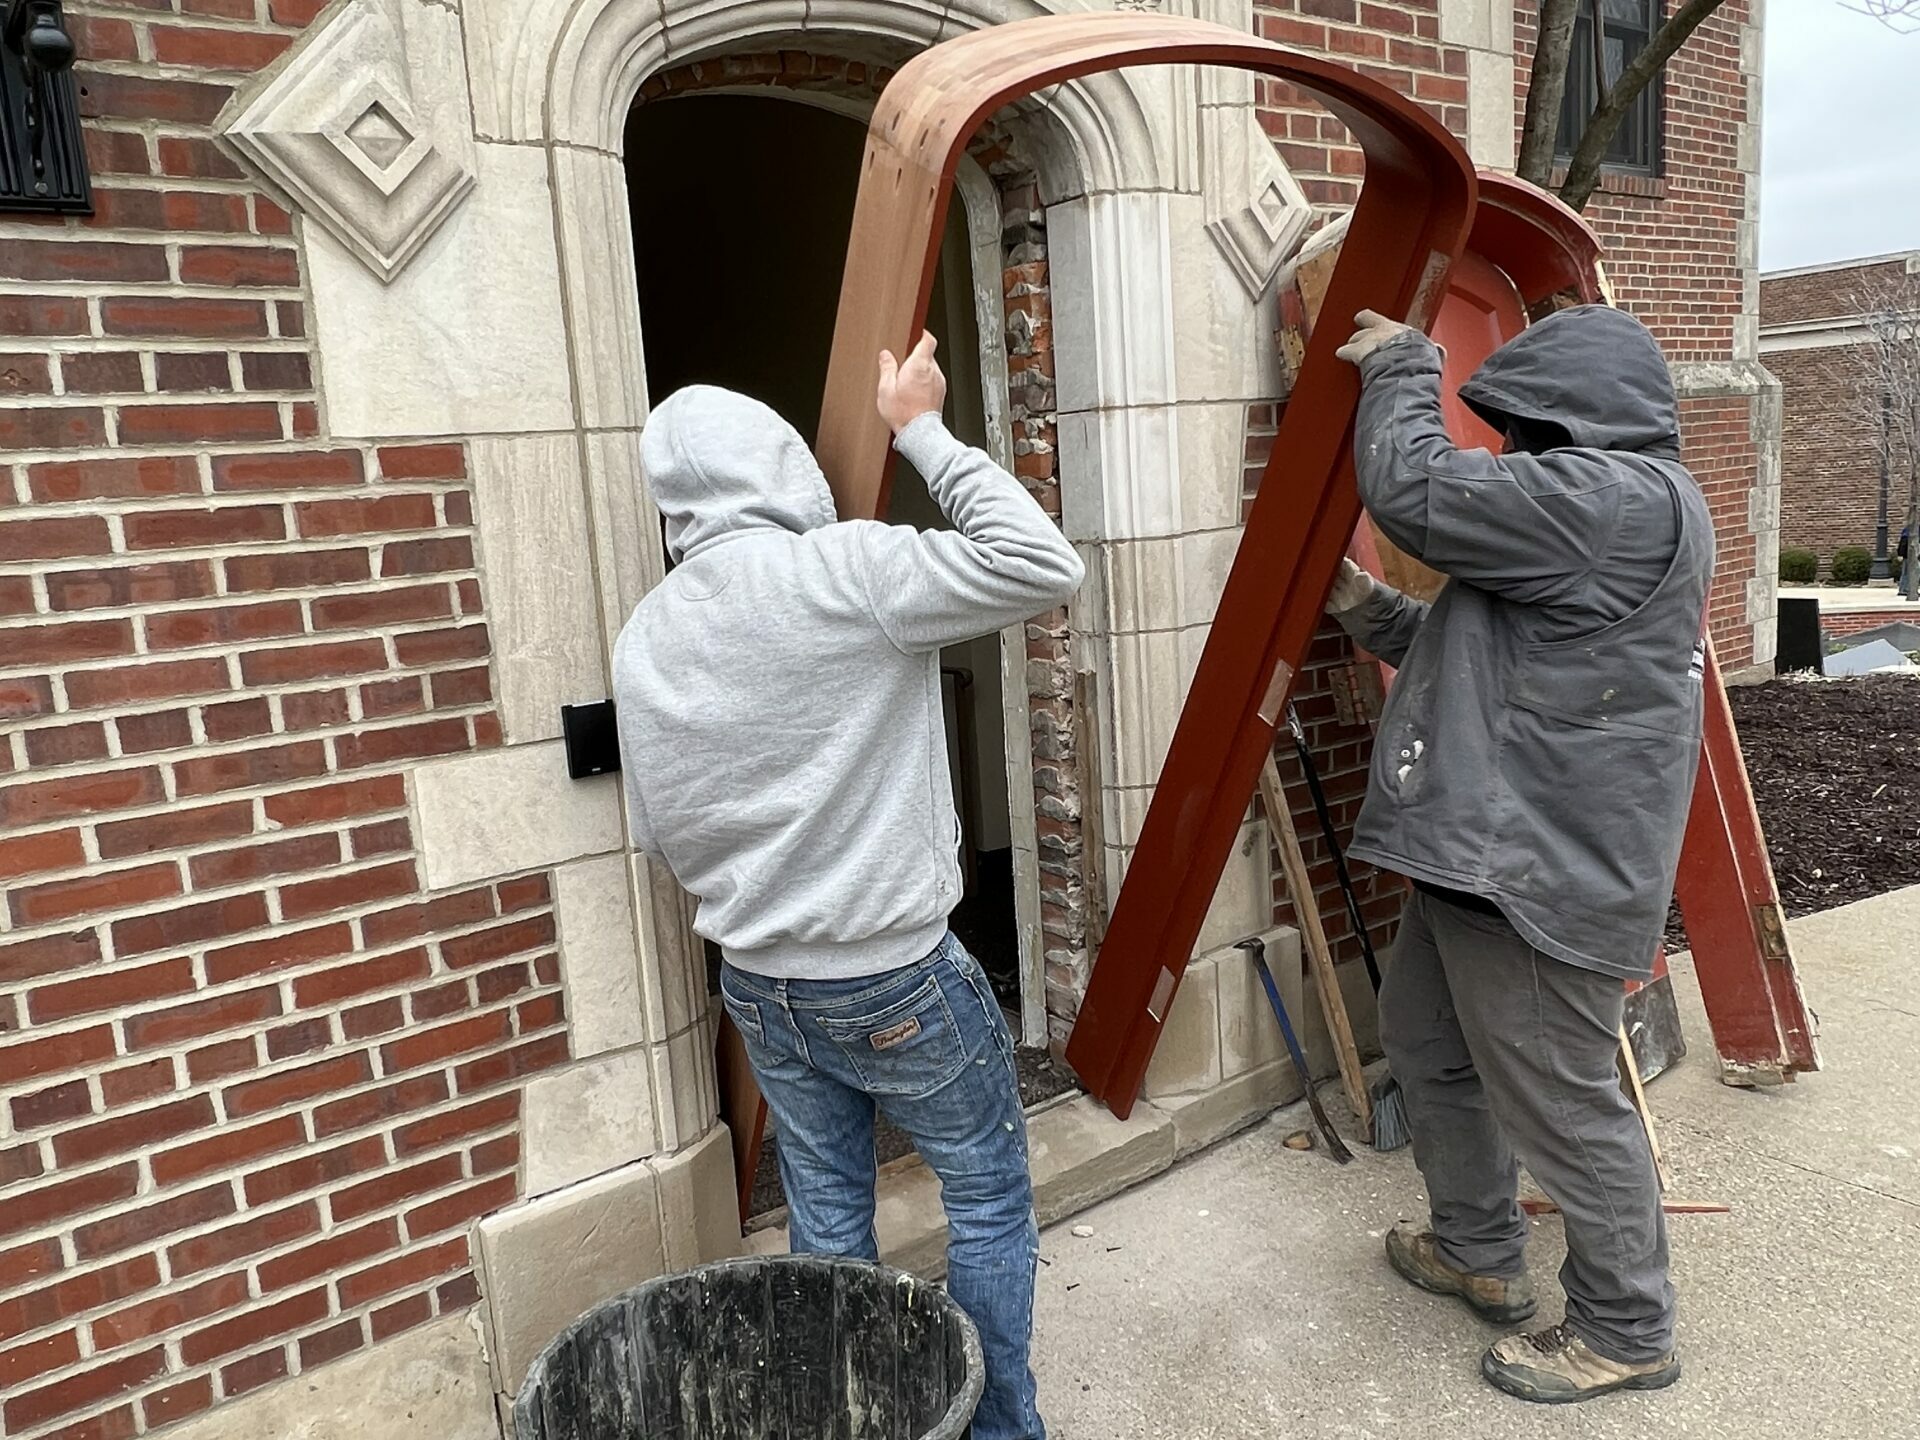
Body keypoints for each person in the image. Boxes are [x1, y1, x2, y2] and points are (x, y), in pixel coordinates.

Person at [612, 333, 1082, 1440]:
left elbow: (658, 838)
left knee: (826, 1216)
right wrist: (920, 428)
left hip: (758, 982)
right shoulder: (847, 571)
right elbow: (1042, 564)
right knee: (986, 1196)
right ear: (783, 467)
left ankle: (868, 1420)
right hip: (894, 976)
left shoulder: (647, 635)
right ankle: (996, 1431)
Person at [1326, 304, 1714, 1404]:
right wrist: (1363, 604)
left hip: (1538, 869)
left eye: (1526, 427)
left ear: (1573, 415)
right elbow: (1481, 650)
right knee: (1428, 1043)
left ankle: (1626, 1330)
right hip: (1490, 854)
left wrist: (1406, 365)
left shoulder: (1612, 500)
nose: (1513, 450)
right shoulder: (1614, 512)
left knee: (1565, 1107)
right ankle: (1478, 1251)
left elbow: (1414, 490)